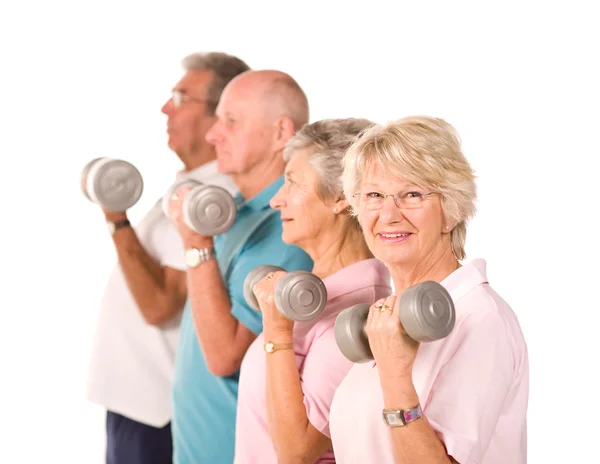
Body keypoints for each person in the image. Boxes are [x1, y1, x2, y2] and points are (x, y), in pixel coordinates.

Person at [329, 116, 529, 464]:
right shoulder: (386, 319)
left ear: (450, 212)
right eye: (374, 195)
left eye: (412, 194)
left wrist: (395, 376)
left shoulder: (479, 320)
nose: (389, 214)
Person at [85, 52, 249, 464]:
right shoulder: (188, 186)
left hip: (157, 412)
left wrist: (116, 218)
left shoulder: (214, 200)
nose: (165, 108)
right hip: (134, 404)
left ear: (222, 114)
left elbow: (159, 305)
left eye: (181, 97)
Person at [167, 69, 314, 464]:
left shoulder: (290, 229)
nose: (214, 134)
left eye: (231, 121)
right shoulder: (238, 214)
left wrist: (195, 242)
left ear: (281, 133)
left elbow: (223, 356)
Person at [232, 118, 392, 463]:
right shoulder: (312, 298)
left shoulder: (356, 317)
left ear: (340, 197)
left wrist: (276, 331)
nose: (276, 200)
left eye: (292, 183)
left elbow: (297, 452)